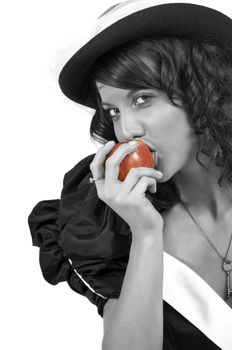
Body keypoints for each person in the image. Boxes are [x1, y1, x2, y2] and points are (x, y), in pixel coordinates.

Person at [28, 1, 232, 349]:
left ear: (204, 92)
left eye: (142, 99)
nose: (127, 130)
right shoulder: (108, 220)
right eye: (113, 111)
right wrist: (146, 232)